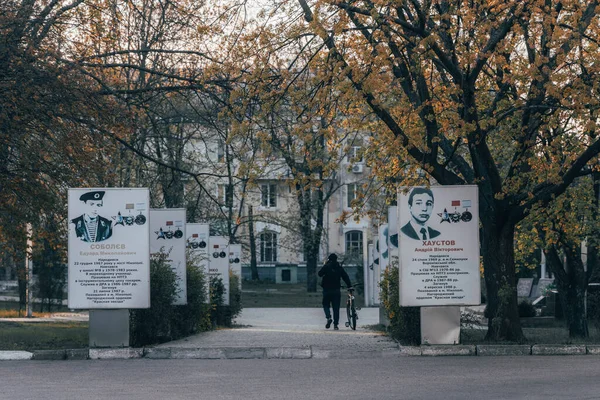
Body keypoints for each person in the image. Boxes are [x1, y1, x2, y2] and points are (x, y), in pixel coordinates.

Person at [318, 253, 352, 330]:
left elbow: (319, 274)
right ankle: (336, 325)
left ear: (329, 259)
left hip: (326, 290)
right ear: (336, 259)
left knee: (325, 304)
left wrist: (325, 265)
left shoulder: (326, 267)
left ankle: (328, 317)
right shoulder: (339, 268)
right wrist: (349, 285)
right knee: (336, 308)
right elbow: (345, 277)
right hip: (336, 290)